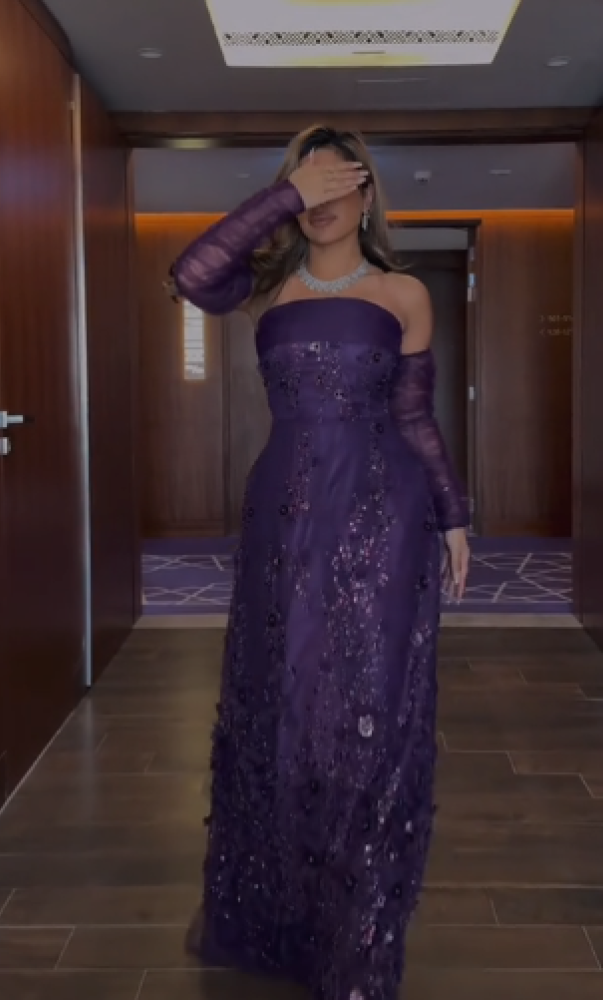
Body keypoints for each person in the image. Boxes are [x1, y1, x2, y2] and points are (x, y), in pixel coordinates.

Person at [169, 125, 470, 1000]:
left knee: (366, 705)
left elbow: (415, 418)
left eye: (345, 183)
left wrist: (454, 516)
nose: (328, 200)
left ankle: (358, 929)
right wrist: (285, 196)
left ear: (369, 197)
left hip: (385, 514)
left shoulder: (404, 292)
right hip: (285, 517)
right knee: (285, 703)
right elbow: (191, 272)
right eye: (313, 185)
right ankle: (285, 915)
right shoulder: (264, 291)